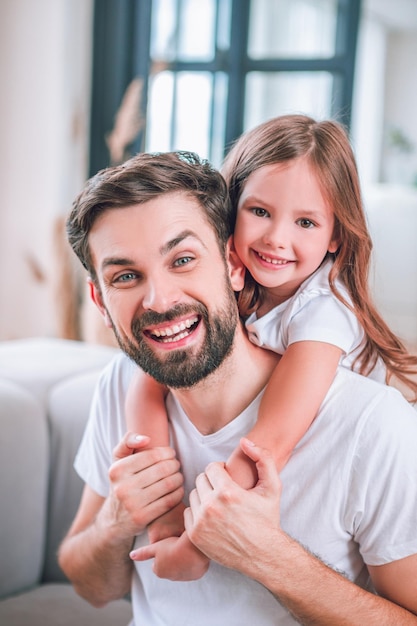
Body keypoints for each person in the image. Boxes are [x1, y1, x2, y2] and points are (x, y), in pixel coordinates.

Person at [58, 150, 417, 625]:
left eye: (183, 259)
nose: (159, 299)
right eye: (125, 276)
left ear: (231, 263)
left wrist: (270, 557)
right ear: (100, 301)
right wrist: (115, 524)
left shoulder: (373, 424)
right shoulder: (121, 383)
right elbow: (90, 584)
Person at [124, 115, 417, 579]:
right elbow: (148, 382)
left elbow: (274, 438)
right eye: (259, 211)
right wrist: (164, 515)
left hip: (355, 474)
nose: (277, 239)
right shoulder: (225, 279)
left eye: (306, 221)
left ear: (336, 235)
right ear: (229, 208)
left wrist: (197, 541)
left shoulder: (325, 309)